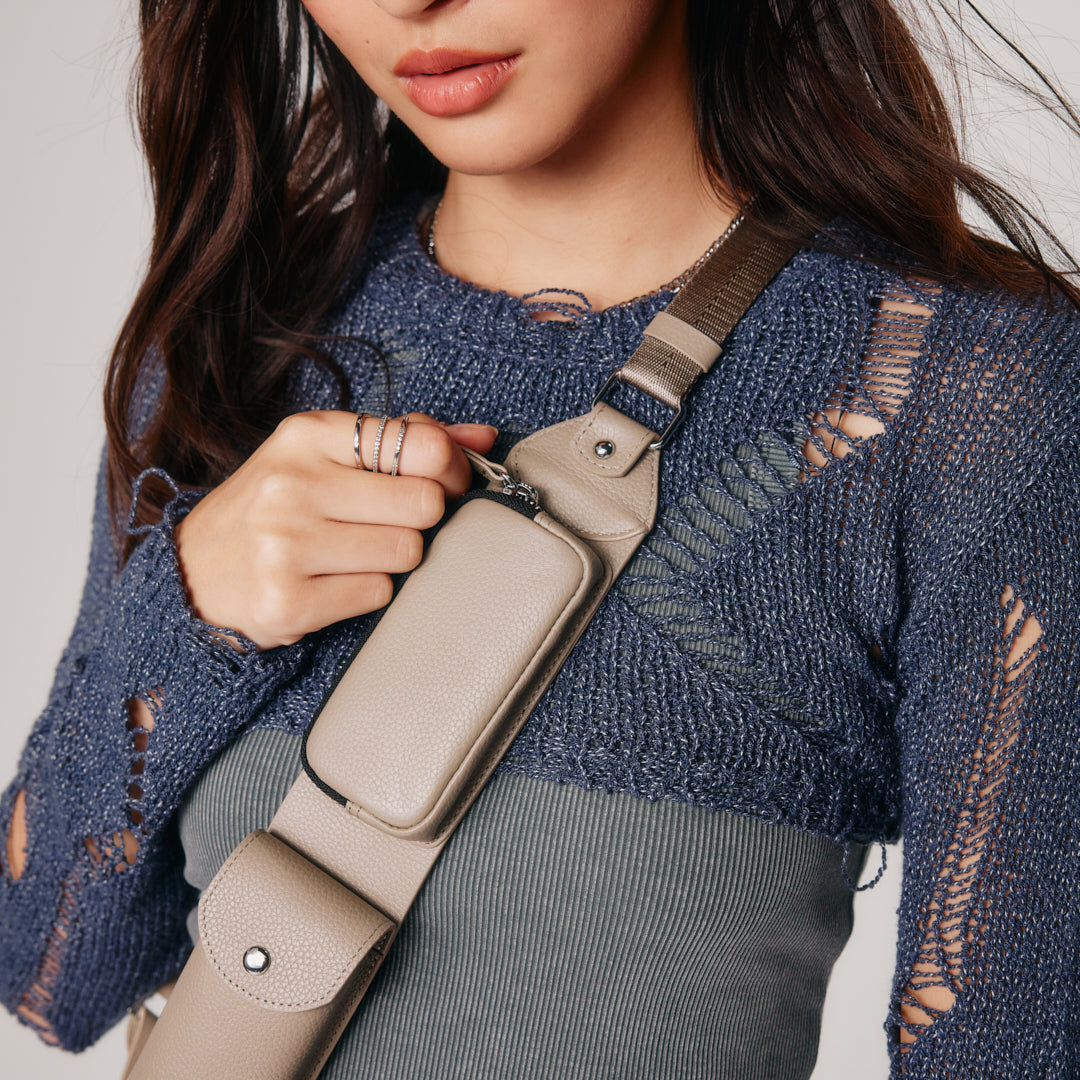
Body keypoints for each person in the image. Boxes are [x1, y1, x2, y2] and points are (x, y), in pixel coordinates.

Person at [2, 0, 1078, 1076]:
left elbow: (1009, 1045)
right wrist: (190, 605)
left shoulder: (958, 394)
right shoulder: (243, 329)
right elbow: (48, 976)